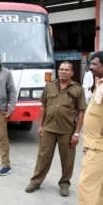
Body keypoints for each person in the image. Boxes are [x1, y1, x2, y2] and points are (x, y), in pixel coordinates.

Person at [25, 61, 86, 197]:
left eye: (66, 70)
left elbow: (81, 112)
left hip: (67, 131)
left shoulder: (78, 89)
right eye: (61, 69)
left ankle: (64, 184)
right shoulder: (49, 86)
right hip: (48, 129)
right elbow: (43, 107)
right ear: (58, 71)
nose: (63, 72)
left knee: (67, 160)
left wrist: (76, 133)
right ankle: (35, 182)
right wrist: (40, 126)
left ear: (72, 73)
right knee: (43, 158)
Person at [78, 51, 103, 205]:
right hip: (93, 146)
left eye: (94, 64)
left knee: (86, 187)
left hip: (98, 149)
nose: (91, 67)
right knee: (98, 189)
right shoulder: (99, 84)